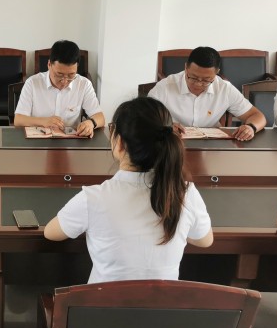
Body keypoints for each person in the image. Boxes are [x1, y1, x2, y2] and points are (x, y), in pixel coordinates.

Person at [43, 97, 213, 282]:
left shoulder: (93, 198)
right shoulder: (185, 193)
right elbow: (205, 240)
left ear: (120, 143)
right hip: (164, 302)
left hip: (103, 301)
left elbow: (51, 232)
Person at [148, 46, 267, 141]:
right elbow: (143, 119)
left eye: (206, 80)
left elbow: (258, 116)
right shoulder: (165, 87)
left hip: (210, 145)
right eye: (193, 77)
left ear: (216, 73)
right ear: (186, 67)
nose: (198, 84)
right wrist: (165, 127)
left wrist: (250, 127)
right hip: (174, 144)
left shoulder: (224, 88)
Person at [13, 40, 104, 137]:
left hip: (70, 141)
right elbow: (18, 120)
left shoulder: (84, 84)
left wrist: (91, 123)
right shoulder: (32, 83)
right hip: (39, 140)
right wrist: (44, 121)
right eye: (59, 75)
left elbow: (100, 117)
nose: (64, 81)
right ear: (49, 65)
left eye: (71, 75)